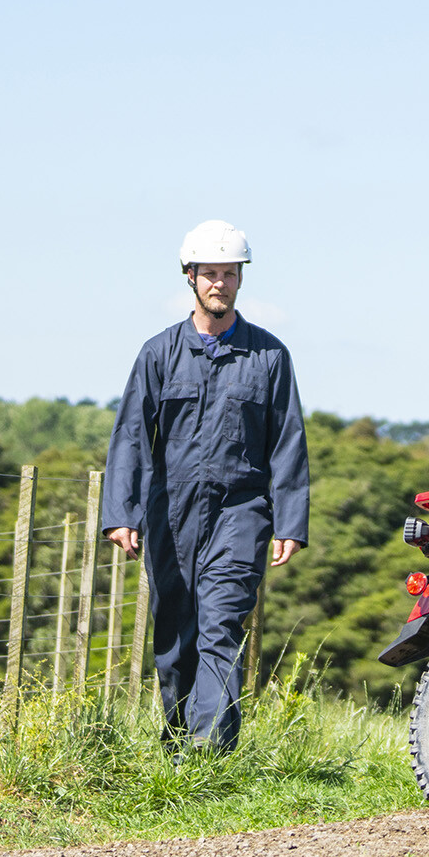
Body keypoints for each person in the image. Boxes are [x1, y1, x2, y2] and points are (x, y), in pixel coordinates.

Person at [103, 220, 309, 751]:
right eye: (209, 274)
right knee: (175, 635)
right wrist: (120, 513)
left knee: (221, 623)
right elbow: (130, 435)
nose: (219, 283)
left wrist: (290, 520)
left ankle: (208, 753)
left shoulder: (268, 357)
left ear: (241, 279)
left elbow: (287, 441)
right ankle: (177, 742)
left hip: (241, 511)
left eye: (229, 273)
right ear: (190, 277)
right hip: (169, 512)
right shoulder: (158, 354)